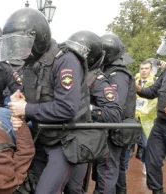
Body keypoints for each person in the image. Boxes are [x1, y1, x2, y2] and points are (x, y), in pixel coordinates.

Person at [4, 8, 91, 194]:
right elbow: (33, 92)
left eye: (22, 43)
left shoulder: (65, 60)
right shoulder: (30, 62)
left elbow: (67, 108)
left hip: (65, 140)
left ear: (36, 38)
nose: (19, 49)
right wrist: (19, 98)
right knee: (26, 185)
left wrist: (25, 109)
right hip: (42, 136)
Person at [63, 31, 122, 194]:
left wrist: (86, 108)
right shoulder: (63, 71)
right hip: (57, 137)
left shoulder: (96, 79)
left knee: (73, 187)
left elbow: (114, 114)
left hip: (80, 141)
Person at [136, 27, 166, 194]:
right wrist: (135, 87)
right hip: (160, 124)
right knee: (151, 161)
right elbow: (152, 92)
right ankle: (157, 191)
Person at [99, 33, 137, 194]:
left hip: (116, 128)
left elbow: (114, 105)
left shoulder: (117, 75)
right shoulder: (116, 71)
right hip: (120, 128)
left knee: (107, 168)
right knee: (117, 167)